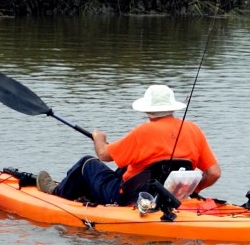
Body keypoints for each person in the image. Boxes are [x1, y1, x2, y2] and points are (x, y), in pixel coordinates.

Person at [44, 83, 221, 207]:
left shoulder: (143, 131)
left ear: (148, 109)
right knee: (126, 167)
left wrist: (99, 138)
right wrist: (186, 192)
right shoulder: (194, 129)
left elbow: (104, 155)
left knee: (87, 163)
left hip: (128, 197)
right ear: (172, 108)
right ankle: (86, 192)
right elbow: (214, 173)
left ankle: (57, 192)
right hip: (167, 197)